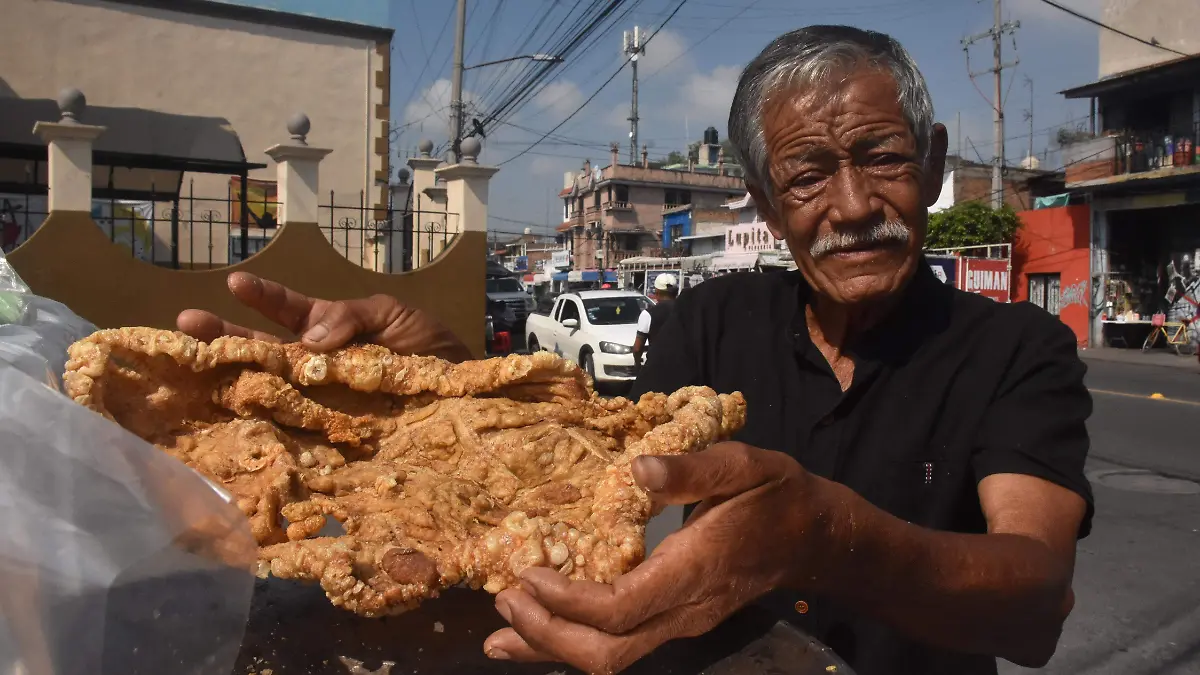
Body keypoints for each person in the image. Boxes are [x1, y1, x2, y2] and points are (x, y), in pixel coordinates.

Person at [179, 25, 1092, 675]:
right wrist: (435, 383)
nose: (852, 205)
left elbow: (1036, 602)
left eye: (881, 157)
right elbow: (581, 463)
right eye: (808, 175)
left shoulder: (1019, 350)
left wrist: (822, 536)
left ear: (931, 164)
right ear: (767, 207)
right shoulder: (711, 320)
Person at [632, 273, 678, 373]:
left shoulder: (648, 314)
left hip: (657, 369)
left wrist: (637, 364)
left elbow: (637, 348)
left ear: (657, 292)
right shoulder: (688, 310)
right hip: (684, 368)